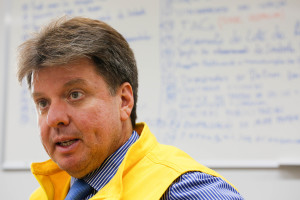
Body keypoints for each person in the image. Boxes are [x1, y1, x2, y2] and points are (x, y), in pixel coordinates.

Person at [17, 16, 243, 200]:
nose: (53, 119)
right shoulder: (45, 195)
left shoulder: (183, 191)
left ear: (124, 101)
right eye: (43, 103)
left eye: (75, 94)